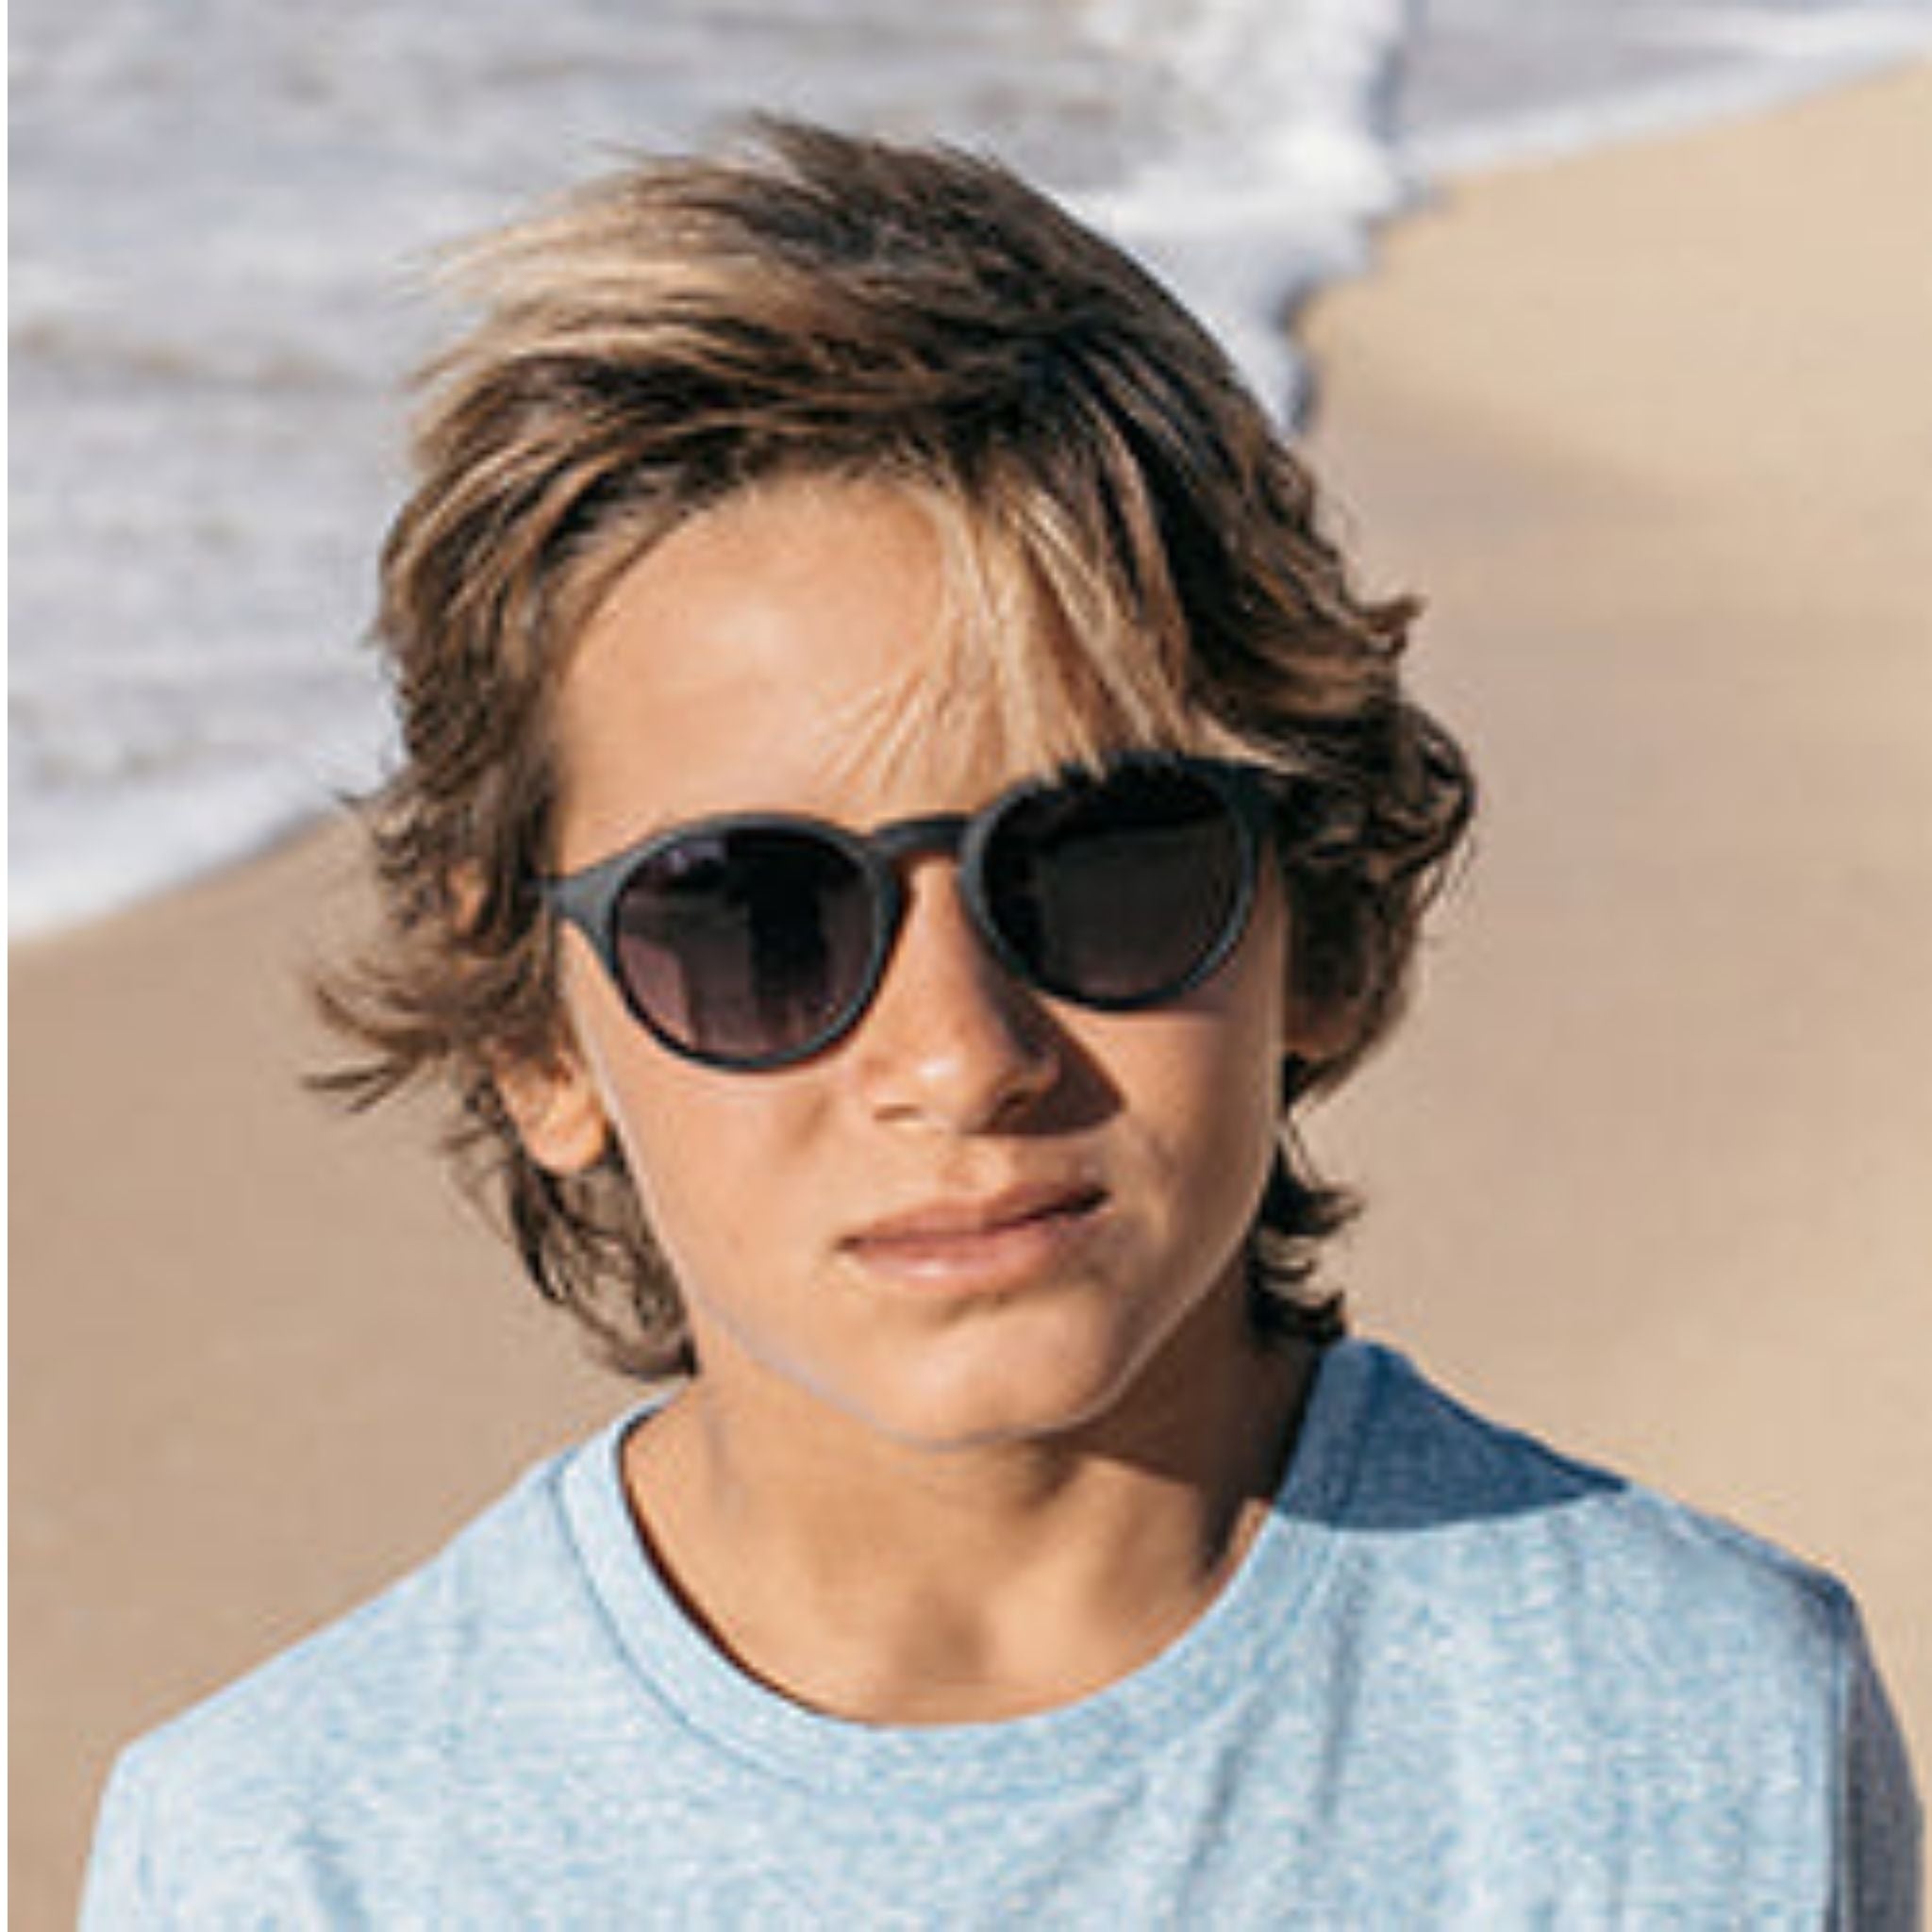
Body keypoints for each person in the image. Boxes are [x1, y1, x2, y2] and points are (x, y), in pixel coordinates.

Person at [83, 121, 1919, 1925]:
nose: (961, 1057)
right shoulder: (290, 1859)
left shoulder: (1691, 1728)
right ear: (539, 1042)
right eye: (755, 919)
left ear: (1321, 915)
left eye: (1106, 869)